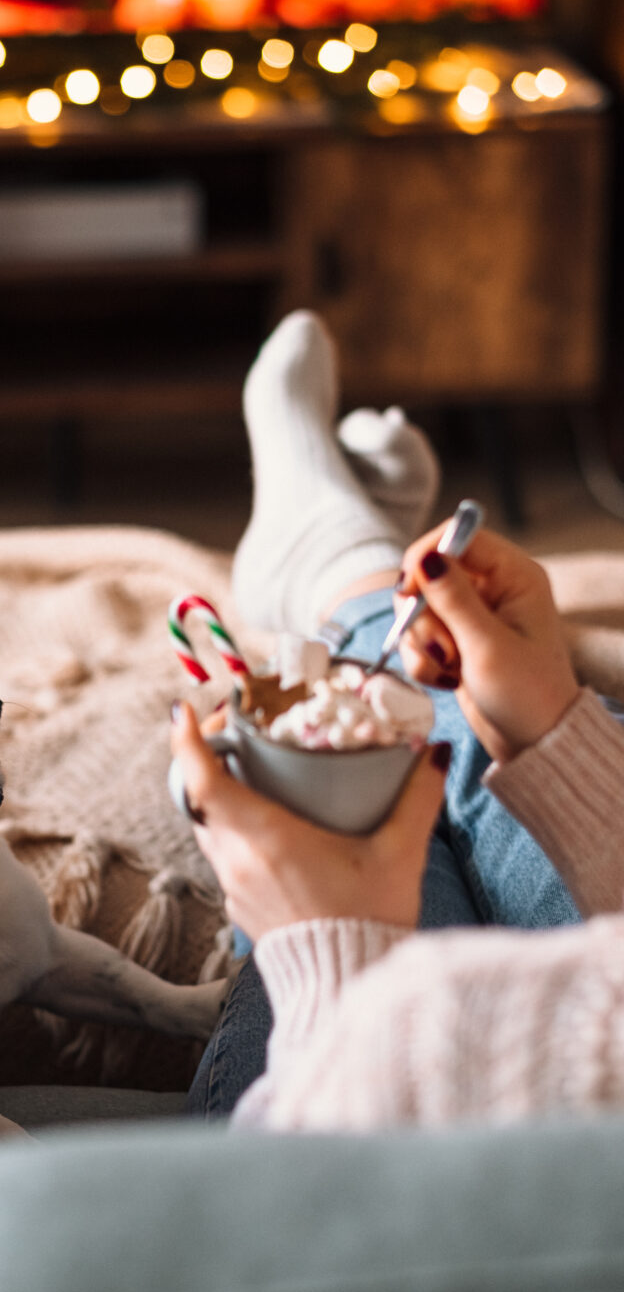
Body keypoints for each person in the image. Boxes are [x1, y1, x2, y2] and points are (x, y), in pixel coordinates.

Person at [173, 311, 624, 1130]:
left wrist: (325, 951)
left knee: (371, 802)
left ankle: (343, 567)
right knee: (432, 753)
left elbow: (342, 1216)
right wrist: (556, 733)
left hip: (361, 1106)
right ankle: (346, 562)